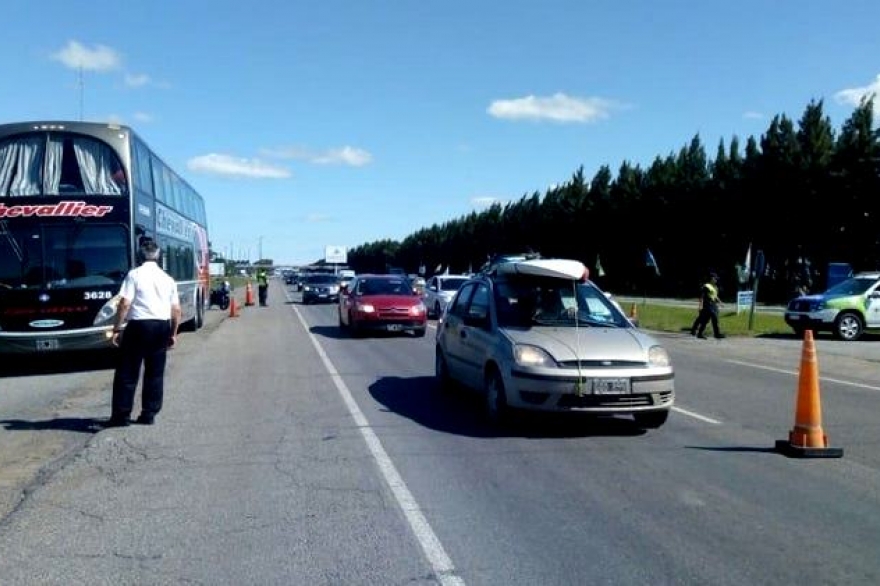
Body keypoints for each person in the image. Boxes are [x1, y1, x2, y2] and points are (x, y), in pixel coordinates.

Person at [105, 239, 181, 427]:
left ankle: (121, 415)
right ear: (158, 256)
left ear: (140, 256)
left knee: (128, 372)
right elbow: (176, 310)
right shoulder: (168, 279)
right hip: (161, 325)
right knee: (155, 372)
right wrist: (173, 333)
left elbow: (124, 303)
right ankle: (149, 413)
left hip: (139, 326)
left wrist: (116, 327)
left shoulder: (134, 275)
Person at [690, 272, 725, 339]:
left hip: (713, 304)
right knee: (713, 317)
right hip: (708, 304)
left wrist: (720, 302)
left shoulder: (715, 287)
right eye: (715, 278)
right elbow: (702, 296)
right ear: (711, 278)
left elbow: (715, 296)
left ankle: (699, 333)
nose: (716, 280)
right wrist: (700, 306)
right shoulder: (706, 286)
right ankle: (716, 334)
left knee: (705, 319)